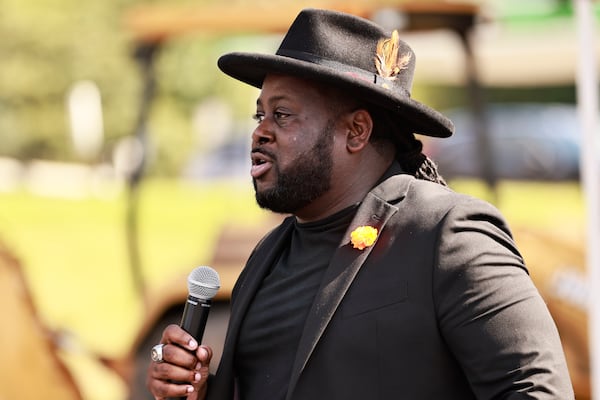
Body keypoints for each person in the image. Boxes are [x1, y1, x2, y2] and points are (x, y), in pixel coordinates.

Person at [146, 8, 574, 400]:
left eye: (283, 115)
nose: (260, 133)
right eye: (260, 116)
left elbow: (535, 391)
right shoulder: (266, 258)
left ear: (356, 132)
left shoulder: (446, 234)